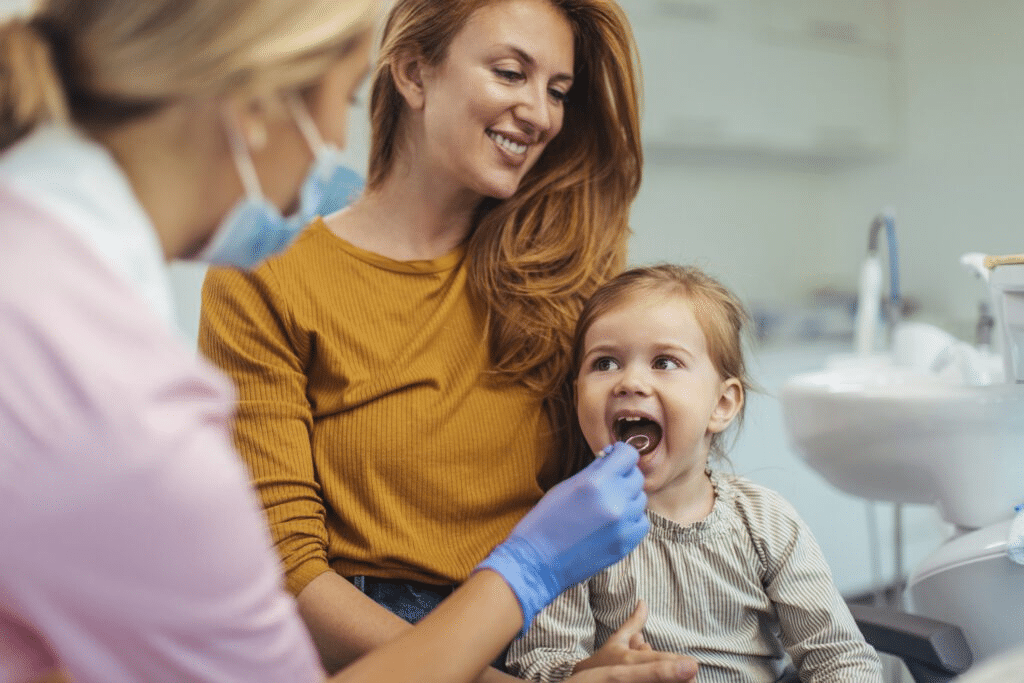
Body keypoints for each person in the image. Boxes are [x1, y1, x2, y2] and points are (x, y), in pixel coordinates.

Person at [0, 1, 699, 681]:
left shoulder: (40, 281)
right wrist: (528, 569)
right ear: (256, 104)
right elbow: (278, 607)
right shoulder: (126, 407)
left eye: (558, 90)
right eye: (343, 97)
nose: (337, 140)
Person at [198, 0, 687, 679]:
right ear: (413, 72)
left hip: (547, 638)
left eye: (558, 91)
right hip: (371, 649)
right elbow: (287, 568)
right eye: (511, 73)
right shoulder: (266, 279)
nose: (541, 113)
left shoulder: (568, 277)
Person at [506, 264, 886, 682]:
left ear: (721, 405)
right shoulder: (572, 527)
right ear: (578, 393)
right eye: (606, 363)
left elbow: (840, 658)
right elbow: (538, 664)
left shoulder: (767, 524)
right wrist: (589, 673)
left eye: (664, 362)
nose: (630, 381)